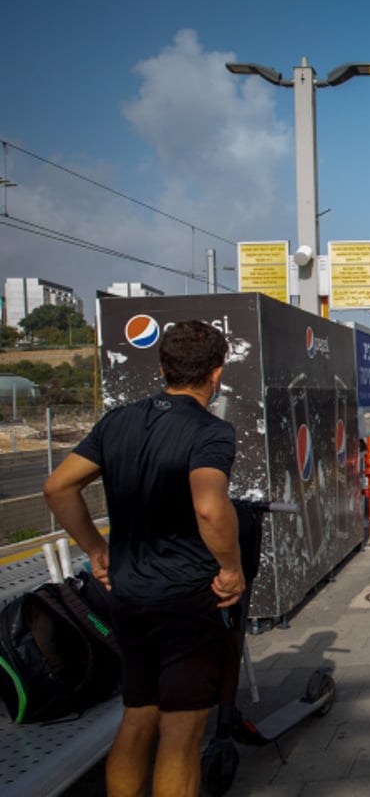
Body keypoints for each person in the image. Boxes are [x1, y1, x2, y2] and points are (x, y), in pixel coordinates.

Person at [43, 320, 242, 797]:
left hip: (129, 596)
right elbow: (210, 507)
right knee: (180, 734)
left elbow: (58, 486)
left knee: (137, 719)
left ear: (162, 368)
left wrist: (96, 548)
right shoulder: (210, 431)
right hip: (188, 597)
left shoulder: (118, 421)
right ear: (216, 373)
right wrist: (231, 568)